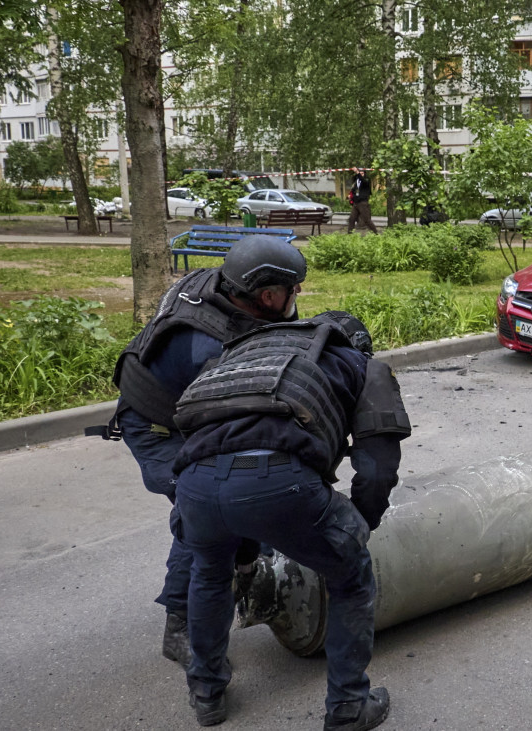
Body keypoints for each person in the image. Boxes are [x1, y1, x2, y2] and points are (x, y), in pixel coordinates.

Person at [171, 310, 410, 729]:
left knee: (209, 575)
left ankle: (207, 694)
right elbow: (377, 470)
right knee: (350, 578)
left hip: (193, 483)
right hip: (277, 480)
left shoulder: (243, 355)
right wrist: (355, 528)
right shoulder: (364, 366)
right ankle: (348, 708)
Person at [98, 235, 306, 670]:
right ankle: (181, 627)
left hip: (184, 409)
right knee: (206, 516)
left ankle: (243, 581)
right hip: (159, 428)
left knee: (241, 501)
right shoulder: (211, 349)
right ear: (267, 295)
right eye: (293, 288)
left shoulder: (229, 289)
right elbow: (238, 423)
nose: (299, 295)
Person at [346, 167, 377, 234]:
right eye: (360, 173)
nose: (361, 174)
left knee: (367, 220)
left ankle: (375, 233)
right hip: (356, 203)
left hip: (363, 203)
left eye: (362, 173)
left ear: (364, 174)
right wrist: (350, 196)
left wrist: (357, 172)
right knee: (352, 219)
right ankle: (349, 235)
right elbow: (354, 191)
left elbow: (363, 180)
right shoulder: (356, 181)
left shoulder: (366, 180)